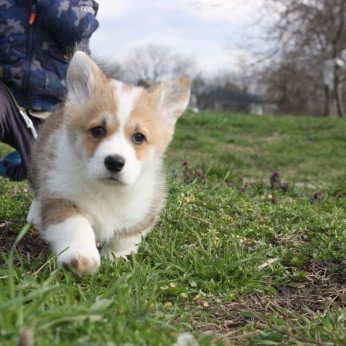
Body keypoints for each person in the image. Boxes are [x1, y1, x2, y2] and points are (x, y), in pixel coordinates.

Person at [0, 0, 99, 181]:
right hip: (9, 101)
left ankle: (14, 165)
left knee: (55, 180)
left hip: (56, 112)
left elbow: (78, 32)